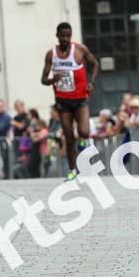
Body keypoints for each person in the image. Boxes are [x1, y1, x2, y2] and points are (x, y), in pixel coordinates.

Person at [41, 22, 98, 181]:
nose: (66, 38)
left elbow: (94, 65)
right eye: (63, 36)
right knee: (68, 136)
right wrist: (53, 79)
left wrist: (91, 82)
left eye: (68, 35)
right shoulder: (51, 55)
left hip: (80, 98)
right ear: (57, 36)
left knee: (84, 131)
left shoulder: (80, 50)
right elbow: (43, 79)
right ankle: (72, 170)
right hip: (62, 101)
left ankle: (82, 142)